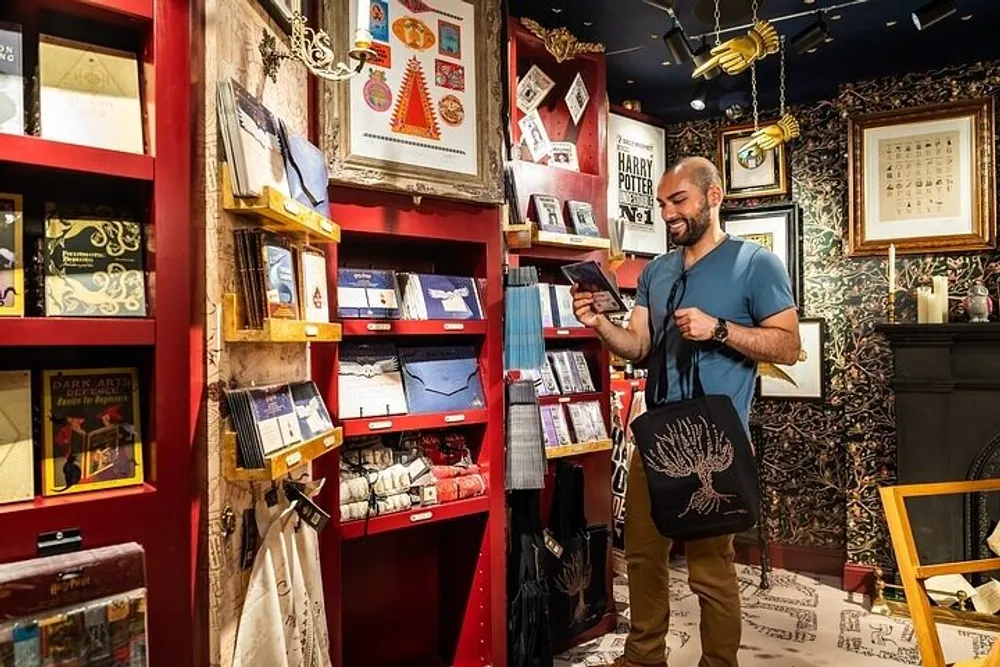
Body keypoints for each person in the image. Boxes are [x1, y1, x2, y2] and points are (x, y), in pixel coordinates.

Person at [571, 156, 800, 667]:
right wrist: (599, 324)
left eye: (679, 202)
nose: (669, 214)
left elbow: (787, 347)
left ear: (714, 196)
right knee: (642, 556)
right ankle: (643, 656)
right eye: (661, 205)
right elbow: (637, 346)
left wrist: (719, 329)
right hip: (655, 436)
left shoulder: (755, 264)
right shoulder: (657, 270)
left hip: (715, 441)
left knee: (710, 570)